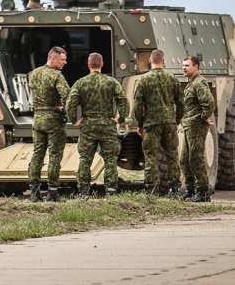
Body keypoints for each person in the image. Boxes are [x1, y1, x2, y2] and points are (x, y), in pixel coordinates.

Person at [66, 52, 129, 199]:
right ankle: (111, 190)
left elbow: (71, 103)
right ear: (102, 64)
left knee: (85, 159)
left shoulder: (80, 83)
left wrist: (74, 119)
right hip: (107, 124)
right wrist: (121, 119)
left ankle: (84, 192)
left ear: (88, 65)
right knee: (110, 158)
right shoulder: (111, 82)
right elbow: (123, 100)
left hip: (88, 125)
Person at [132, 49, 184, 198]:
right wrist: (177, 121)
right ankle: (175, 188)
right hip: (169, 122)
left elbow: (137, 105)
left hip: (151, 123)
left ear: (150, 61)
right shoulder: (172, 78)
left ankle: (152, 190)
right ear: (164, 62)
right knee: (172, 155)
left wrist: (140, 124)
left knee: (150, 157)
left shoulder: (143, 79)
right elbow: (181, 103)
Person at [27, 46, 70, 202]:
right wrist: (66, 112)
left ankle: (34, 191)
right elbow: (67, 97)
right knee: (54, 156)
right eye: (62, 60)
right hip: (53, 119)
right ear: (53, 59)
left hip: (37, 118)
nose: (65, 62)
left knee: (37, 154)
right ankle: (52, 193)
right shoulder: (57, 77)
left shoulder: (33, 74)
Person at [180, 55, 215, 202]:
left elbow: (209, 102)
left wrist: (203, 117)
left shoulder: (199, 83)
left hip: (196, 126)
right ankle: (189, 190)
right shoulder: (191, 83)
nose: (184, 68)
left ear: (196, 67)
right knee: (184, 160)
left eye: (187, 65)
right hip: (189, 126)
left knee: (195, 158)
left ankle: (203, 192)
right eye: (183, 65)